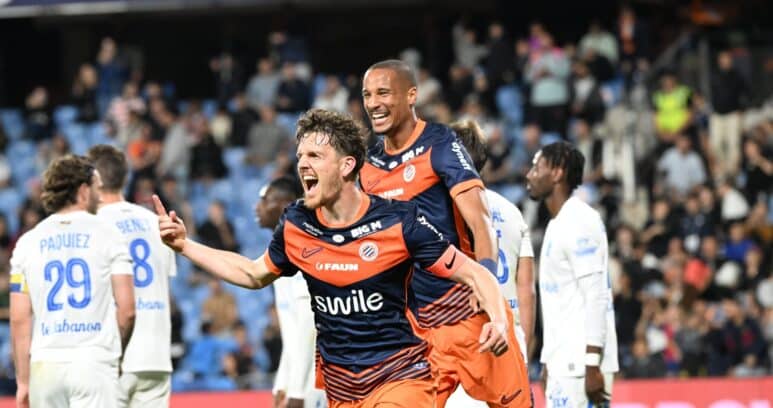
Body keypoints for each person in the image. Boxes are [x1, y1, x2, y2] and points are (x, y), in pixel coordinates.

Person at [154, 109, 513, 408]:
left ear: (346, 166)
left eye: (314, 156)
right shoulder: (296, 225)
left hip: (400, 378)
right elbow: (252, 273)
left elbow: (473, 274)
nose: (302, 165)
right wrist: (185, 245)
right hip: (342, 390)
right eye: (300, 157)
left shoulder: (398, 221)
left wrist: (497, 317)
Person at [359, 60, 529, 407]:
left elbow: (480, 222)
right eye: (366, 95)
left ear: (411, 96)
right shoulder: (369, 166)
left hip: (467, 314)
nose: (373, 103)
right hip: (415, 332)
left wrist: (486, 287)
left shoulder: (440, 143)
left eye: (383, 93)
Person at [10, 155, 136, 408]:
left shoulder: (27, 243)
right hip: (94, 363)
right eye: (97, 189)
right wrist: (115, 354)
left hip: (45, 367)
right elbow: (128, 311)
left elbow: (19, 318)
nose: (100, 196)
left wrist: (24, 381)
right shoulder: (110, 235)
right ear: (82, 190)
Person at [446, 120, 535, 408]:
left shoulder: (447, 210)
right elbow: (526, 288)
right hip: (509, 336)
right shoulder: (512, 212)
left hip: (469, 341)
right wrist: (524, 347)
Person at [525, 142, 619, 407]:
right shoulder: (557, 223)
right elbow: (561, 305)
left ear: (557, 173)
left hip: (580, 366)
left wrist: (591, 364)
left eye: (537, 167)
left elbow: (596, 295)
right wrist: (548, 360)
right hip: (563, 364)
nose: (529, 174)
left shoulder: (579, 221)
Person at [87, 145, 177, 408]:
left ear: (93, 181)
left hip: (113, 356)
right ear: (125, 178)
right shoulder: (155, 222)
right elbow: (165, 286)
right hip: (157, 355)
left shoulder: (93, 226)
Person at [255, 176, 326, 408]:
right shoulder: (278, 255)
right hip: (299, 379)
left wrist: (298, 392)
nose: (258, 207)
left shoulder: (305, 252)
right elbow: (292, 334)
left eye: (265, 200)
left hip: (316, 382)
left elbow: (309, 329)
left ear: (286, 204)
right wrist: (281, 383)